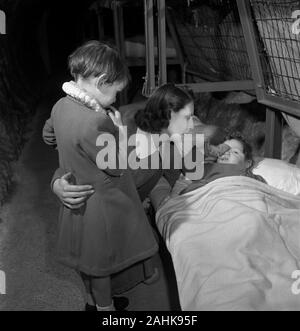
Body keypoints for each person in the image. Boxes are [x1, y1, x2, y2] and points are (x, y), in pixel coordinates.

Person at [42, 40, 158, 311]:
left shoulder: (61, 106)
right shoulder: (96, 121)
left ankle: (93, 302)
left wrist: (70, 156)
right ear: (103, 81)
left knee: (88, 261)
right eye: (116, 92)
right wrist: (118, 131)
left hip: (79, 198)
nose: (116, 99)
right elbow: (117, 165)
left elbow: (48, 137)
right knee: (102, 264)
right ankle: (105, 309)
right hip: (101, 206)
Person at [180, 131, 267, 195]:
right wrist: (208, 150)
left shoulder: (250, 177)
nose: (226, 152)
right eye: (222, 150)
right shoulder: (211, 168)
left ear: (247, 163)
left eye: (235, 152)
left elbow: (265, 192)